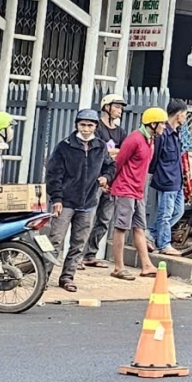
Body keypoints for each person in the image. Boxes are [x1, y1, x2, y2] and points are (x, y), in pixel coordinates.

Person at [44, 109, 110, 292]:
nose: (86, 129)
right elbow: (53, 174)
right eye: (83, 125)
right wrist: (56, 198)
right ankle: (43, 277)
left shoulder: (100, 146)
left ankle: (67, 277)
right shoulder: (64, 146)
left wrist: (106, 177)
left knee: (78, 244)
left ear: (96, 127)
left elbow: (110, 165)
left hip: (88, 203)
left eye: (90, 125)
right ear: (77, 125)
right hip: (65, 201)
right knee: (55, 240)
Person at [108, 106, 165, 281]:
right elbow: (119, 162)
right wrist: (109, 182)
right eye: (162, 123)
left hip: (138, 191)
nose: (164, 126)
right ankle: (118, 267)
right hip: (125, 188)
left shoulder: (151, 140)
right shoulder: (134, 139)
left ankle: (146, 265)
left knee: (139, 227)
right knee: (121, 227)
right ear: (153, 124)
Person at [80, 94, 128, 268]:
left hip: (111, 179)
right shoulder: (97, 128)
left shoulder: (120, 131)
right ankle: (77, 256)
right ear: (107, 107)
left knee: (104, 219)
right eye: (116, 106)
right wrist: (113, 153)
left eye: (120, 107)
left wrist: (113, 155)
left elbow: (122, 153)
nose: (119, 110)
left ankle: (90, 254)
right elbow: (99, 153)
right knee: (87, 218)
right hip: (95, 179)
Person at [149, 100, 190, 256]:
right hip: (166, 178)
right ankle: (164, 244)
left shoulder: (177, 132)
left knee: (178, 212)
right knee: (165, 213)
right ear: (179, 114)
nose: (185, 118)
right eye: (185, 115)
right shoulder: (163, 133)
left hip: (177, 179)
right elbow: (155, 157)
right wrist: (157, 174)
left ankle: (151, 233)